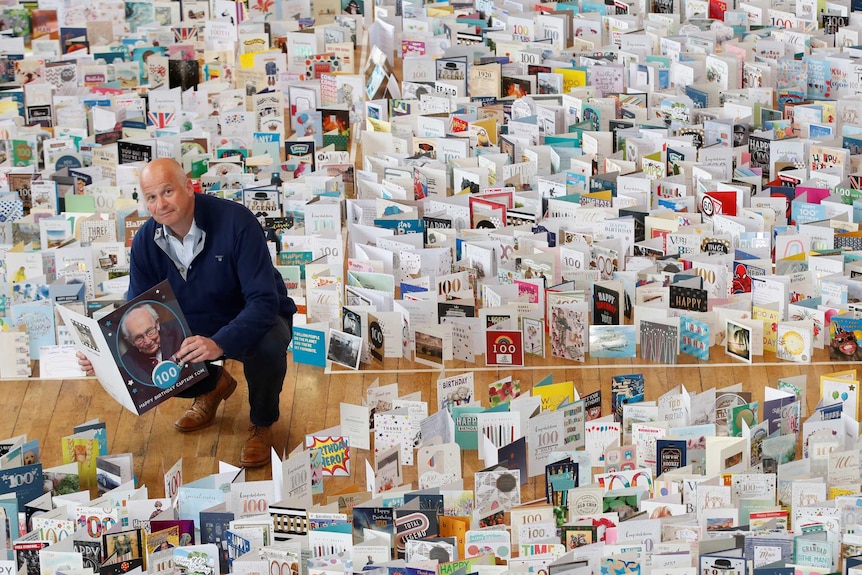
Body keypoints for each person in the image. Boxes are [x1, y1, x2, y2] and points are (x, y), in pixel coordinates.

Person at [78, 158, 296, 468]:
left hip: (251, 316)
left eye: (168, 191)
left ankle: (261, 422)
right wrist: (100, 355)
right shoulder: (144, 241)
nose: (160, 204)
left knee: (270, 344)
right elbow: (136, 311)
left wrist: (219, 343)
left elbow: (263, 302)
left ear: (189, 188)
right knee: (150, 359)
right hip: (191, 320)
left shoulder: (237, 222)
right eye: (151, 197)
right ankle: (213, 385)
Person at [119, 303, 185, 385]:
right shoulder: (128, 363)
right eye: (139, 338)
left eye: (150, 331)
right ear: (130, 341)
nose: (148, 341)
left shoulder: (179, 331)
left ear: (157, 324)